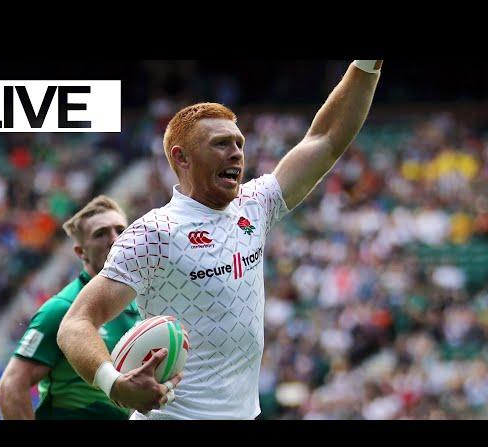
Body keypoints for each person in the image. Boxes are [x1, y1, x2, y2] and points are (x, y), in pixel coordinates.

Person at [57, 60, 384, 419]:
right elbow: (76, 324)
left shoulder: (256, 204)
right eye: (220, 144)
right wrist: (115, 385)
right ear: (181, 157)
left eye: (239, 143)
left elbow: (326, 138)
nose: (236, 153)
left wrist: (367, 64)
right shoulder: (154, 234)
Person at [0, 195, 141, 419]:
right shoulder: (62, 309)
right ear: (80, 252)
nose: (114, 239)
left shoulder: (142, 306)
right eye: (100, 233)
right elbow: (10, 389)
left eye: (121, 230)